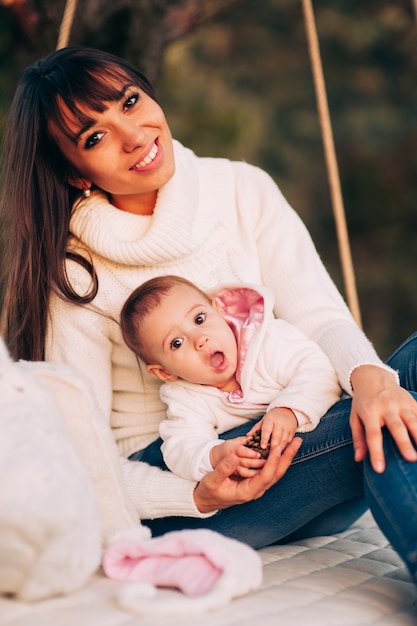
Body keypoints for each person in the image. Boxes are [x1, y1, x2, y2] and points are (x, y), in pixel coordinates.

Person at [1, 46, 417, 582]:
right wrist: (195, 493)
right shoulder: (74, 276)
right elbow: (86, 457)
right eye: (95, 137)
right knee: (385, 422)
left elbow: (319, 316)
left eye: (130, 102)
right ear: (75, 172)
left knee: (390, 399)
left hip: (302, 438)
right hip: (190, 485)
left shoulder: (242, 189)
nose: (134, 136)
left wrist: (371, 382)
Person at [120, 274, 342, 481]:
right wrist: (214, 454)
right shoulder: (186, 396)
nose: (200, 339)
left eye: (199, 319)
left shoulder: (267, 341)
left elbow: (319, 371)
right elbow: (181, 446)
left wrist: (288, 411)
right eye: (176, 343)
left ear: (220, 312)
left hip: (327, 459)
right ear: (165, 372)